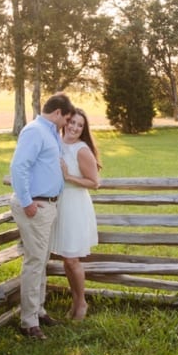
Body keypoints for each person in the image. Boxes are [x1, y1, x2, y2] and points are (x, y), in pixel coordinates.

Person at [9, 92, 74, 340]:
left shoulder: (50, 132)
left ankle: (39, 310)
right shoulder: (35, 131)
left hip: (47, 206)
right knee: (35, 262)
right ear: (57, 112)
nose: (66, 124)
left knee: (42, 260)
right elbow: (19, 166)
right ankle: (28, 321)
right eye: (66, 119)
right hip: (36, 206)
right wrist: (27, 203)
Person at [50, 107, 102, 321]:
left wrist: (69, 176)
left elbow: (94, 182)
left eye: (80, 126)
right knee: (66, 258)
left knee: (72, 259)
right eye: (72, 123)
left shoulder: (82, 150)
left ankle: (81, 303)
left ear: (83, 130)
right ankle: (75, 300)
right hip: (59, 204)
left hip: (75, 206)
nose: (74, 128)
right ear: (65, 122)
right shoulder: (56, 143)